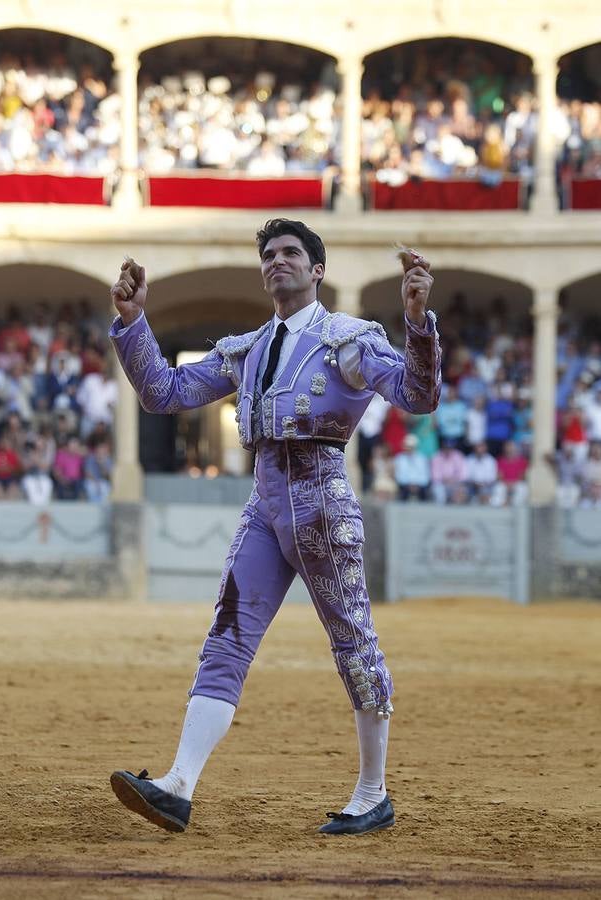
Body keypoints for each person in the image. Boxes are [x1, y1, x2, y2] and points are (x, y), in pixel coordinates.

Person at [108, 219, 441, 836]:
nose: (277, 261)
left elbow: (417, 396)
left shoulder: (349, 340)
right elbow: (163, 392)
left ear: (318, 270)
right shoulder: (247, 349)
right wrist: (133, 322)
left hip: (322, 509)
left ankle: (373, 792)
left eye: (290, 253)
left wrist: (417, 321)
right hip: (265, 508)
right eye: (268, 255)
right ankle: (179, 785)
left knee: (353, 643)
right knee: (227, 637)